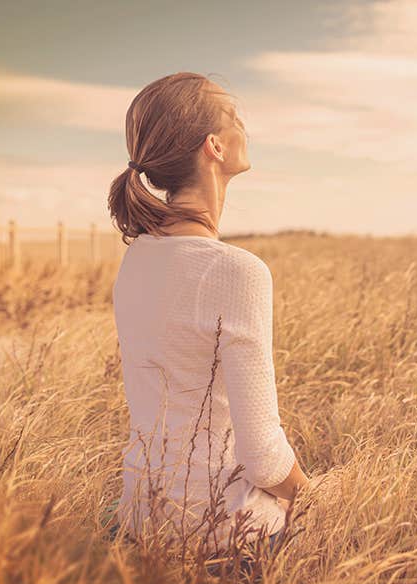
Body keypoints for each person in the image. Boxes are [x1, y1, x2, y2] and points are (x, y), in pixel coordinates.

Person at [105, 72, 311, 553]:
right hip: (221, 535)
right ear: (214, 147)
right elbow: (262, 457)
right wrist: (315, 498)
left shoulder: (136, 259)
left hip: (137, 520)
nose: (245, 126)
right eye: (236, 117)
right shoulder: (236, 271)